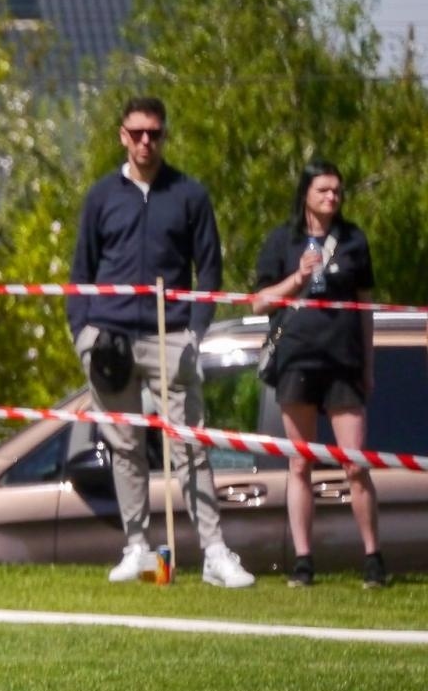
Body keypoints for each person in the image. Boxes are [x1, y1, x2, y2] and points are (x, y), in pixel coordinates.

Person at [67, 96, 254, 588]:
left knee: (189, 444)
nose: (146, 141)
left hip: (171, 333)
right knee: (124, 446)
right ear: (122, 136)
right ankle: (136, 547)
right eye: (137, 133)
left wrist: (196, 330)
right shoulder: (100, 196)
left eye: (155, 133)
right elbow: (81, 272)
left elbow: (209, 269)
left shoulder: (189, 194)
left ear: (164, 136)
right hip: (108, 337)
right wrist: (81, 334)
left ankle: (214, 552)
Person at [252, 161, 384, 588]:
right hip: (297, 359)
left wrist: (368, 364)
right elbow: (258, 303)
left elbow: (365, 309)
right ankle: (304, 561)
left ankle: (373, 558)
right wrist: (297, 277)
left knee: (355, 463)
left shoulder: (353, 241)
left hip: (343, 361)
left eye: (337, 192)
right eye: (324, 190)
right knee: (299, 463)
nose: (332, 197)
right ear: (306, 193)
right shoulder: (281, 241)